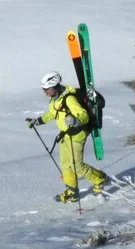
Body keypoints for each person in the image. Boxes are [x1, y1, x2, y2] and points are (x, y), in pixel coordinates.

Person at [25, 71, 110, 202]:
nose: (45, 92)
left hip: (77, 134)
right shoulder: (55, 99)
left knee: (77, 166)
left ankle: (100, 179)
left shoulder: (69, 99)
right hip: (66, 135)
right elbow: (52, 113)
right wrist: (37, 121)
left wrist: (76, 121)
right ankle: (72, 192)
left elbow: (84, 115)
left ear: (54, 87)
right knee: (65, 165)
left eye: (46, 89)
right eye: (43, 89)